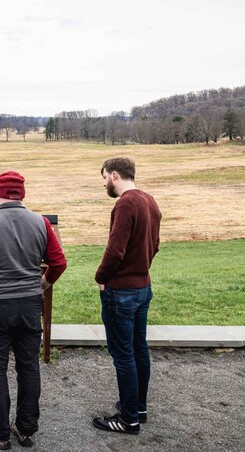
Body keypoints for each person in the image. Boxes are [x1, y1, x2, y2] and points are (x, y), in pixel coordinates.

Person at [0, 171, 67, 450]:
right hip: (30, 304)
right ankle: (26, 427)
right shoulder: (41, 223)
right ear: (23, 194)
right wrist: (42, 285)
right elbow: (59, 263)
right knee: (29, 366)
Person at [92, 157, 162, 435]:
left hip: (121, 291)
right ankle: (139, 409)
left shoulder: (124, 203)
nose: (105, 183)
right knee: (138, 349)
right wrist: (141, 268)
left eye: (105, 177)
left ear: (115, 175)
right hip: (143, 288)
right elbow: (154, 245)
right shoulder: (150, 200)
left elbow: (115, 249)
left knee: (123, 356)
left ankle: (128, 419)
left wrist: (101, 277)